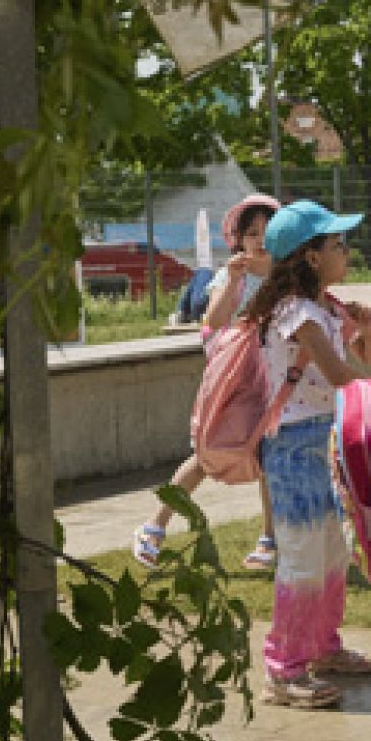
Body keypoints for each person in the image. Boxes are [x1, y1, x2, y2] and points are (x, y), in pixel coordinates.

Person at [247, 199, 371, 708]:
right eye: (336, 244)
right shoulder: (295, 312)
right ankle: (283, 669)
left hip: (327, 441)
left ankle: (323, 647)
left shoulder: (326, 308)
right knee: (303, 560)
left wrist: (366, 328)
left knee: (332, 553)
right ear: (310, 256)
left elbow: (370, 359)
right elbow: (342, 375)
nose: (345, 252)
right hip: (294, 446)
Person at [132, 195, 283, 570]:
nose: (260, 240)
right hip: (234, 380)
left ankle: (270, 538)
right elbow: (214, 320)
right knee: (207, 452)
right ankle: (154, 525)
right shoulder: (230, 275)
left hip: (274, 378)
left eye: (268, 232)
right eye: (252, 233)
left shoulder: (287, 276)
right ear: (238, 239)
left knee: (268, 453)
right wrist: (232, 280)